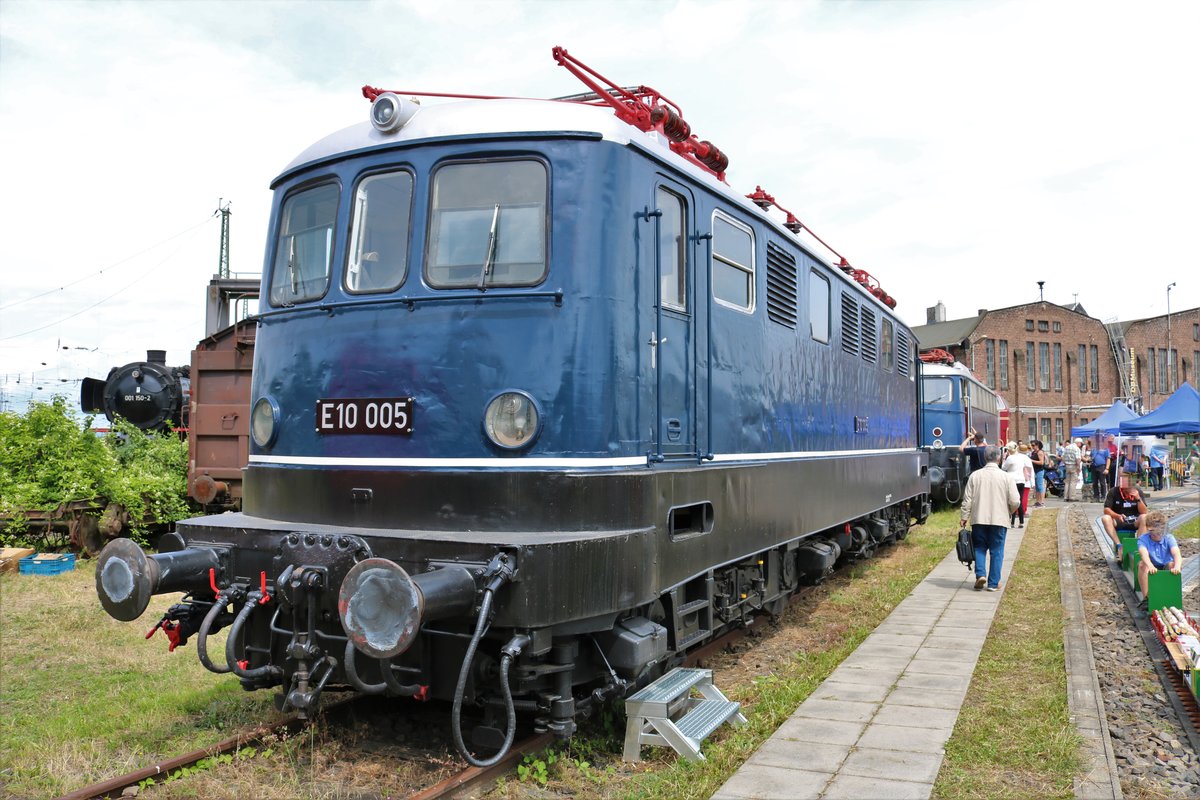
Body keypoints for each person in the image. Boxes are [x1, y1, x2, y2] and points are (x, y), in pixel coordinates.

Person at [960, 445, 1020, 592]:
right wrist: (1009, 511)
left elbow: (967, 499)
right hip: (999, 519)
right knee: (997, 550)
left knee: (979, 547)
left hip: (978, 518)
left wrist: (964, 517)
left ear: (985, 458)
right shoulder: (1006, 477)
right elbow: (1015, 500)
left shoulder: (975, 475)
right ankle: (993, 583)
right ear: (999, 458)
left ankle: (980, 574)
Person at [1136, 511, 1181, 610]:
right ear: (1149, 528)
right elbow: (1144, 554)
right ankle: (1147, 598)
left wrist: (1177, 566)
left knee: (1172, 565)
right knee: (1142, 565)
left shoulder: (1169, 538)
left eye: (1160, 530)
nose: (1158, 533)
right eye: (1155, 530)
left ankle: (1170, 596)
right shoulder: (1143, 539)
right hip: (1152, 565)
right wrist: (1150, 565)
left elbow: (1176, 553)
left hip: (1165, 565)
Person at [1101, 473, 1148, 558]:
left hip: (1134, 520)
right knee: (1105, 518)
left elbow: (1144, 511)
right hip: (1119, 519)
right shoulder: (1113, 491)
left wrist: (1138, 499)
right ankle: (1119, 545)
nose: (1128, 490)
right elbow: (1106, 509)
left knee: (1144, 517)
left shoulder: (1138, 491)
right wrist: (1117, 515)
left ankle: (1139, 545)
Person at [1002, 442, 1034, 527]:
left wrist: (1004, 459)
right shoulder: (1021, 457)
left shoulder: (1010, 458)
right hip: (1021, 480)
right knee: (1019, 500)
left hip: (1012, 480)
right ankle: (1021, 521)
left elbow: (1003, 468)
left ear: (1009, 450)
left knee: (1011, 500)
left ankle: (1011, 522)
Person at [1061, 438, 1083, 502]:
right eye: (1080, 443)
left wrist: (1065, 463)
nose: (1080, 445)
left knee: (1067, 482)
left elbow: (1062, 457)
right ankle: (1072, 497)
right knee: (1073, 482)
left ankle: (1066, 496)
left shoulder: (1067, 447)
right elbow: (1078, 459)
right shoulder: (1077, 449)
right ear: (1078, 443)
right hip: (1074, 465)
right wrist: (1078, 467)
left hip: (1067, 465)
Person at [1029, 440, 1047, 507]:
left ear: (1037, 445)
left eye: (1033, 445)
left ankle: (1042, 502)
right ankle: (1037, 501)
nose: (1032, 447)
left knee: (1040, 486)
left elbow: (1041, 462)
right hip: (1035, 470)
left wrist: (1032, 461)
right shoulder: (1033, 452)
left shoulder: (1040, 452)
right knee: (1036, 487)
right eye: (1032, 445)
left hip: (1039, 471)